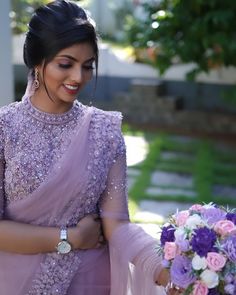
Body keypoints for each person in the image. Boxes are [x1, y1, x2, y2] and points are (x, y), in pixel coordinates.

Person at [0, 1, 179, 294]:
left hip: (87, 282)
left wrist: (168, 271)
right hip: (12, 282)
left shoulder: (105, 132)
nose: (78, 78)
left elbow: (118, 226)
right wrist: (69, 237)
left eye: (87, 66)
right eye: (65, 64)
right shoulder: (4, 128)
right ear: (37, 62)